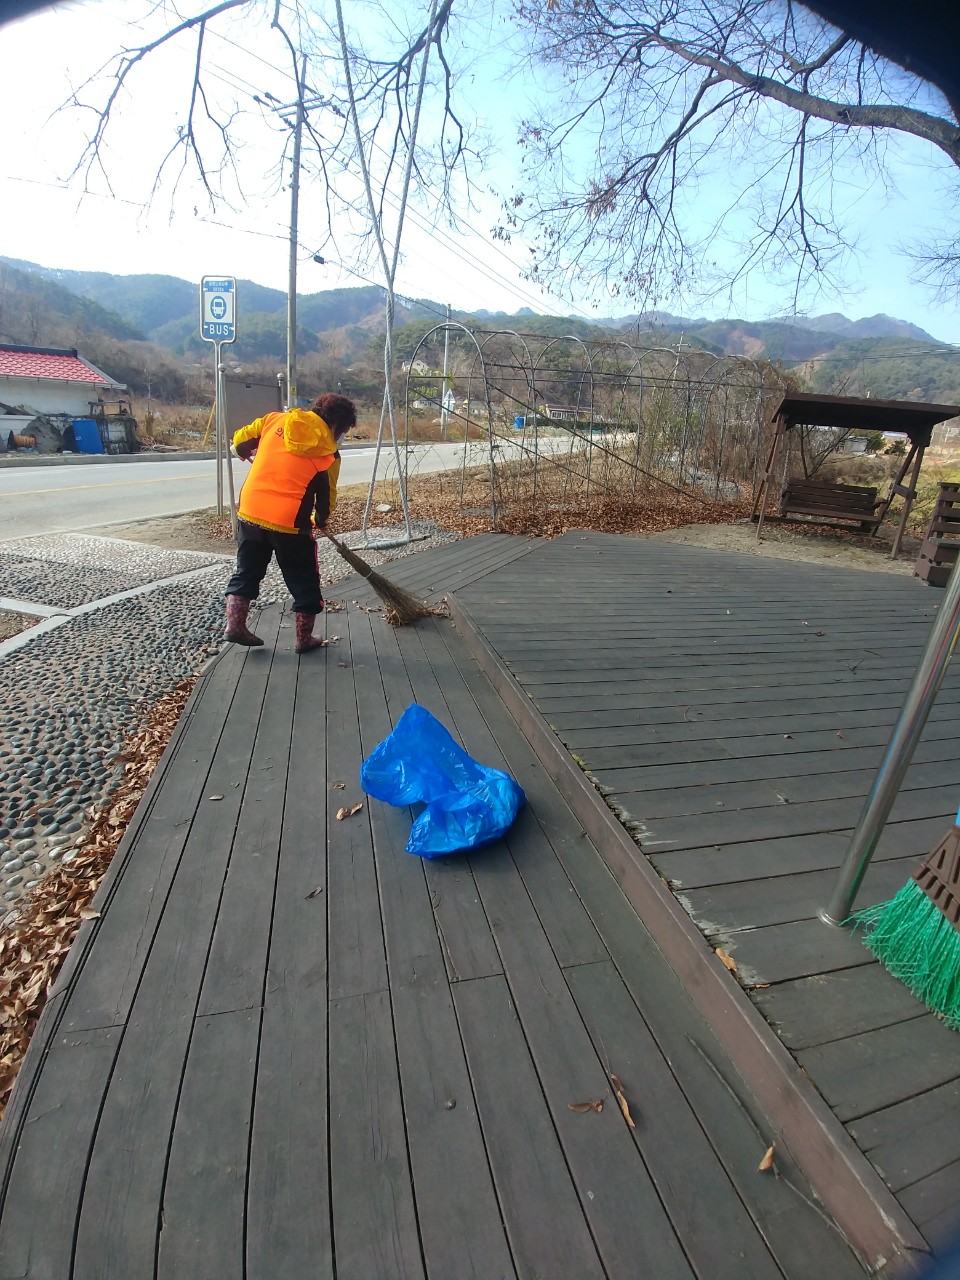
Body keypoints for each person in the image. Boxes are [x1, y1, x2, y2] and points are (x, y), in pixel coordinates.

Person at [223, 392, 357, 653]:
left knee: (246, 571)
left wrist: (244, 451)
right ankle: (303, 639)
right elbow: (326, 498)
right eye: (343, 430)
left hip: (251, 510)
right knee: (304, 579)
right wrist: (320, 520)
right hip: (290, 522)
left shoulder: (274, 420)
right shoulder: (329, 454)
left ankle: (234, 625)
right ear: (335, 425)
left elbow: (239, 442)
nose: (341, 436)